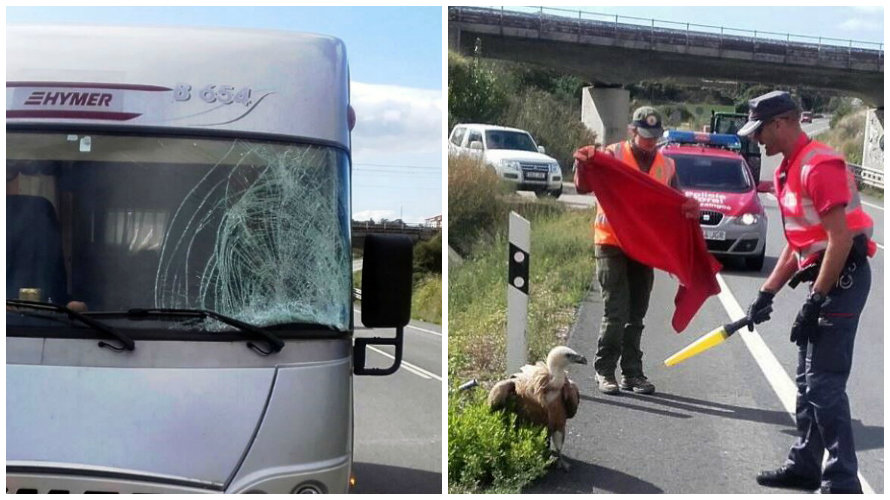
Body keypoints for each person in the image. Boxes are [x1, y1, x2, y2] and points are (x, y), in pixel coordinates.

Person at [740, 90, 874, 494]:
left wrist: (816, 299)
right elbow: (802, 243)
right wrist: (767, 292)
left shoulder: (819, 166)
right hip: (825, 276)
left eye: (760, 131)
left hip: (842, 279)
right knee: (807, 380)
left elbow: (840, 239)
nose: (757, 140)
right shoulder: (788, 169)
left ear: (781, 123)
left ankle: (842, 480)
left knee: (824, 384)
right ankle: (804, 466)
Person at [575, 106, 699, 395]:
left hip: (644, 247)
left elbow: (676, 201)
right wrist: (582, 164)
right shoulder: (611, 154)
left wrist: (689, 206)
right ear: (632, 131)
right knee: (615, 310)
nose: (649, 142)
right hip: (611, 242)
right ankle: (604, 371)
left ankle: (632, 374)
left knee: (637, 314)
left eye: (654, 137)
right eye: (644, 136)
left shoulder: (666, 166)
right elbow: (583, 187)